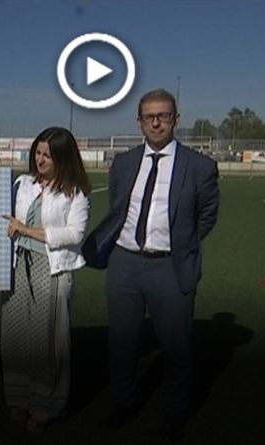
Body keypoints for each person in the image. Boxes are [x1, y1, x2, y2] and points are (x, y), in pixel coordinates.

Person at [82, 89, 219, 440]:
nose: (156, 122)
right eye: (149, 117)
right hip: (125, 264)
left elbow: (206, 216)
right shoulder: (124, 163)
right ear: (139, 122)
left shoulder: (200, 166)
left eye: (164, 116)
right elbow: (118, 208)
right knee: (121, 343)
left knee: (176, 348)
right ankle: (123, 403)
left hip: (170, 267)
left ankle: (175, 413)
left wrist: (180, 244)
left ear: (176, 119)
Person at [0, 127, 91, 432]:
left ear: (63, 158)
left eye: (47, 156)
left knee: (49, 339)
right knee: (15, 334)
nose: (40, 160)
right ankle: (18, 397)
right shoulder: (22, 184)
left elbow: (74, 234)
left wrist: (26, 230)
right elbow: (2, 221)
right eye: (37, 153)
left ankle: (46, 405)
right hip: (18, 264)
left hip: (52, 268)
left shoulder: (75, 192)